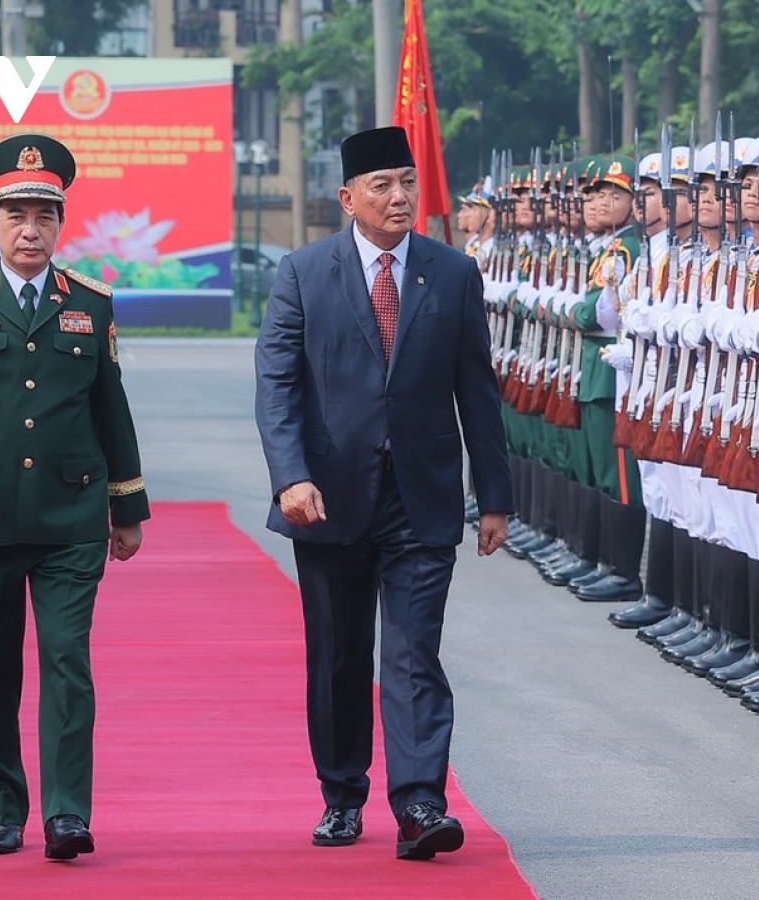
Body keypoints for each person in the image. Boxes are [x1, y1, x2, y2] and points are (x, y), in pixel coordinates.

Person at [253, 125, 513, 860]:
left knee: (412, 652)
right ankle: (341, 796)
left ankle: (421, 802)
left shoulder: (453, 273)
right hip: (327, 497)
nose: (399, 196)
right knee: (338, 656)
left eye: (407, 182)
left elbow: (478, 392)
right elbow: (275, 388)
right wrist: (290, 475)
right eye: (382, 185)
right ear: (347, 198)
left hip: (422, 497)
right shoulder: (304, 273)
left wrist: (493, 495)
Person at [0, 133, 149, 860]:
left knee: (68, 661)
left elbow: (112, 410)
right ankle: (3, 806)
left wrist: (126, 506)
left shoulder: (90, 305)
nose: (30, 228)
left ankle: (68, 813)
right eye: (15, 215)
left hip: (70, 516)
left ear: (61, 223)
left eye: (45, 214)